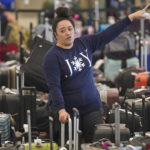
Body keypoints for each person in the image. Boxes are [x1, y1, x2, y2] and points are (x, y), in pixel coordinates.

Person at [42, 4, 149, 143]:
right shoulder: (52, 57)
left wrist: (131, 17)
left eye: (70, 29)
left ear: (75, 30)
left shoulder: (85, 43)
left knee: (96, 144)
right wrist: (61, 110)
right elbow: (54, 87)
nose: (67, 33)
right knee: (69, 145)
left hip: (92, 106)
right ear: (56, 35)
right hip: (67, 111)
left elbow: (109, 33)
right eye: (62, 31)